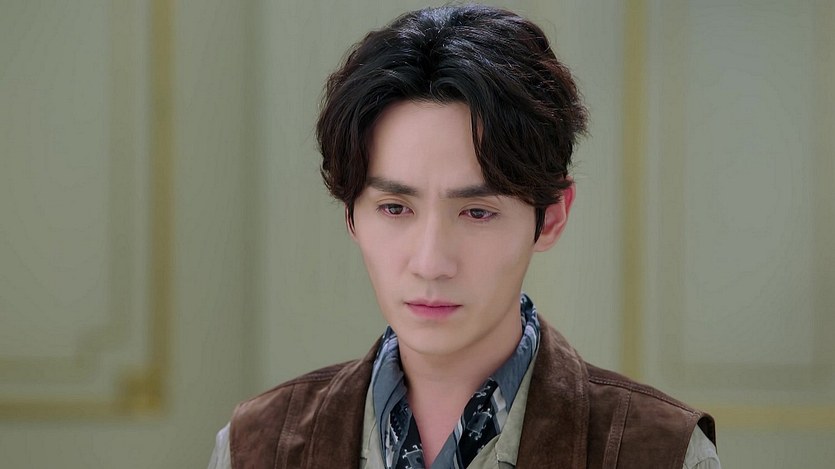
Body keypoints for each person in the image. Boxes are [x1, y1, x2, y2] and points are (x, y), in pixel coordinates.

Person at [208, 4, 720, 468]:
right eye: (394, 208)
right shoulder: (257, 446)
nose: (431, 262)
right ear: (351, 215)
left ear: (551, 217)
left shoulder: (662, 452)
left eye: (477, 212)